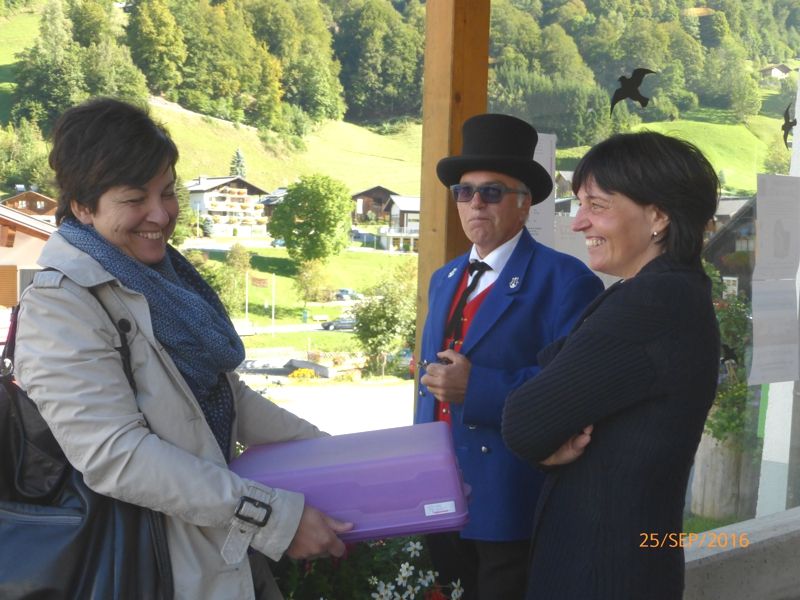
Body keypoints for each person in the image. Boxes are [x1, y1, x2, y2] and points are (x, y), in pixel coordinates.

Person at [14, 97, 351, 600]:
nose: (161, 213)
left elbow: (224, 397)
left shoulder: (158, 281)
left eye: (168, 191)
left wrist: (347, 462)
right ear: (82, 206)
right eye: (135, 198)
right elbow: (115, 454)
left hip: (221, 553)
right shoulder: (62, 305)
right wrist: (273, 517)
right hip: (147, 569)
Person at [501, 131, 721, 599]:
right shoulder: (675, 292)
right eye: (579, 204)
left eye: (596, 205)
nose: (578, 222)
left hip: (603, 572)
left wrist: (546, 436)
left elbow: (524, 423)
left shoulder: (653, 302)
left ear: (658, 216)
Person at [415, 113, 604, 599]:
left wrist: (476, 388)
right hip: (438, 491)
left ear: (524, 203)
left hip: (508, 499)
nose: (475, 202)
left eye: (492, 192)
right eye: (464, 191)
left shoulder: (566, 281)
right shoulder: (444, 278)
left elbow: (573, 390)